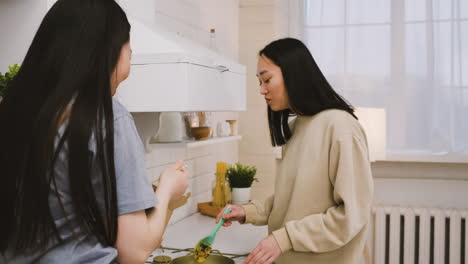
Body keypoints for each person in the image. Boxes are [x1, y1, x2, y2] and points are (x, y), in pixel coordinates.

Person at [0, 0, 189, 263]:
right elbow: (134, 251)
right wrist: (168, 189)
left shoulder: (13, 112)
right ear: (110, 50)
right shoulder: (109, 117)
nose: (130, 57)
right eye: (129, 48)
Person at [216, 38, 374, 264]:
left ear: (294, 74)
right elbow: (290, 202)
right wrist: (247, 212)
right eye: (260, 82)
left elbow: (350, 216)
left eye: (267, 79)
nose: (262, 90)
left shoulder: (340, 128)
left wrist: (284, 239)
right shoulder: (297, 127)